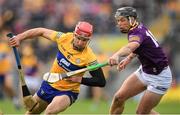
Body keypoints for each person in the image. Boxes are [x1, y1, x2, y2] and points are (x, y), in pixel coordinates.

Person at [8, 21, 106, 114]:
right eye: (78, 38)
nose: (80, 43)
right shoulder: (64, 38)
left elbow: (101, 81)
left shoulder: (89, 57)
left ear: (89, 40)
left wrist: (79, 79)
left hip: (68, 92)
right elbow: (41, 31)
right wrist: (19, 37)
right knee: (31, 113)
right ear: (74, 34)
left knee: (50, 111)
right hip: (49, 85)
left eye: (84, 40)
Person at [108, 7, 172, 114]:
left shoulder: (137, 32)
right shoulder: (136, 28)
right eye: (118, 20)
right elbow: (141, 47)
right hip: (145, 71)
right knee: (118, 98)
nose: (119, 23)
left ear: (132, 19)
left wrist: (117, 55)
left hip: (159, 77)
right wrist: (129, 58)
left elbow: (130, 47)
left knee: (141, 113)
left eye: (122, 20)